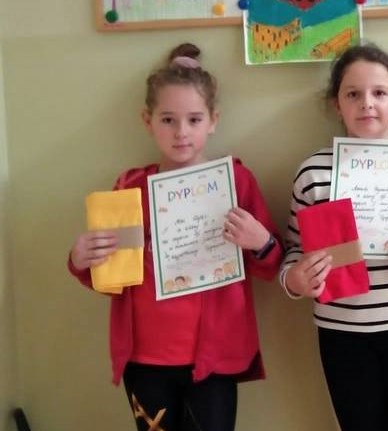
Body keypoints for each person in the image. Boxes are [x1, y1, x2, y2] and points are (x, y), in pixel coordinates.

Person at [67, 43, 283, 431]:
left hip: (214, 360)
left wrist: (261, 241)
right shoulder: (130, 187)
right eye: (168, 119)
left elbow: (272, 265)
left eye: (194, 119)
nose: (181, 132)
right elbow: (111, 278)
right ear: (147, 120)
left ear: (213, 120)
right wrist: (82, 262)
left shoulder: (235, 181)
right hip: (146, 359)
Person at [279, 44, 388, 431]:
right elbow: (295, 250)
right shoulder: (314, 173)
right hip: (342, 330)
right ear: (336, 104)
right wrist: (295, 280)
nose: (367, 103)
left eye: (379, 93)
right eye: (353, 94)